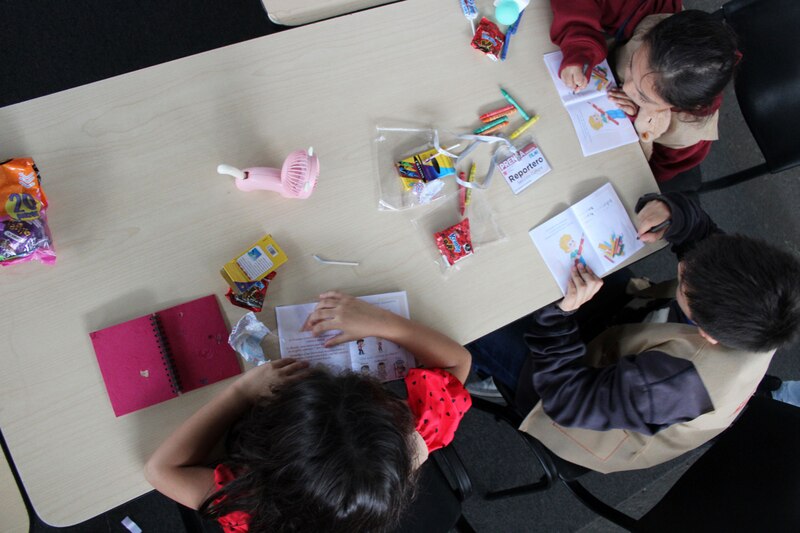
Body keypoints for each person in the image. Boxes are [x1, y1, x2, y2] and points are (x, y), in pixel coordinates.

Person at [468, 192, 800, 473]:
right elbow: (704, 238)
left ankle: (485, 374)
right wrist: (676, 217)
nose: (684, 265)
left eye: (684, 284)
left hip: (563, 397)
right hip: (625, 327)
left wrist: (561, 317)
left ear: (708, 335)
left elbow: (567, 400)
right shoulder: (761, 293)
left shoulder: (677, 385)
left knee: (472, 314)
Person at [145, 291, 472, 532]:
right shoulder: (418, 438)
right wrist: (382, 322)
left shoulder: (250, 503)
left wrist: (241, 392)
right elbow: (458, 361)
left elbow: (160, 470)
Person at [551, 3, 739, 183]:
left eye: (643, 97)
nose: (626, 88)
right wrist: (579, 47)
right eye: (631, 64)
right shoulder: (654, 15)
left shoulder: (687, 138)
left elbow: (645, 178)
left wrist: (642, 134)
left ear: (680, 106)